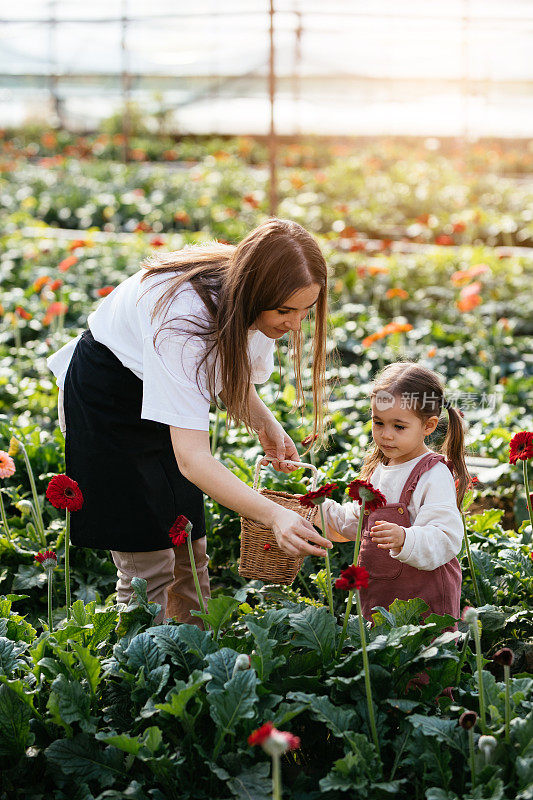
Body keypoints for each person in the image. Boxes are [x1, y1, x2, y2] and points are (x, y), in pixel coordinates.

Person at [47, 218, 332, 625]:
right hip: (109, 400)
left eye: (306, 310)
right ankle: (137, 675)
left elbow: (225, 373)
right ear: (253, 293)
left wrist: (264, 422)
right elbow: (193, 460)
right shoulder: (182, 317)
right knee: (148, 564)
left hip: (163, 385)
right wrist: (273, 514)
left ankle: (191, 666)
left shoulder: (252, 302)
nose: (295, 324)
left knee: (188, 551)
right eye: (285, 311)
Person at [320, 361, 468, 623]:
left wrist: (405, 538)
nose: (386, 435)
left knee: (424, 659)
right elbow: (357, 523)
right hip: (380, 596)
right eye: (378, 423)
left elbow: (446, 538)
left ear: (429, 426)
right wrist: (318, 508)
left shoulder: (433, 474)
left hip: (425, 600)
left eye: (399, 427)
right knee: (379, 658)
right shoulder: (379, 469)